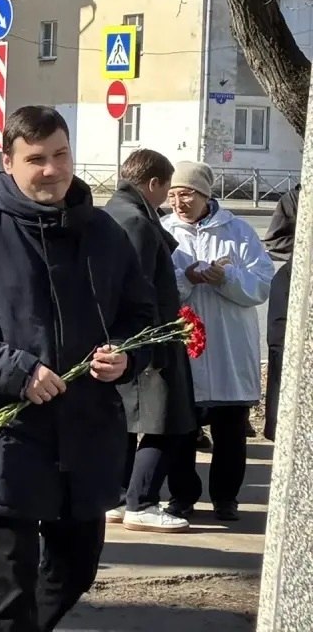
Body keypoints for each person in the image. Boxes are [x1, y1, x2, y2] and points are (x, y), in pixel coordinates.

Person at [0, 105, 156, 632]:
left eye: (61, 155)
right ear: (10, 160)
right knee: (13, 589)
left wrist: (127, 354)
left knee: (75, 570)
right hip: (6, 438)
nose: (52, 169)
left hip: (86, 432)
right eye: (37, 159)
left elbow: (142, 315)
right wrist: (15, 371)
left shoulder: (105, 234)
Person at [161, 161, 273, 523]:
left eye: (187, 193)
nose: (179, 201)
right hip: (186, 347)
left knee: (230, 431)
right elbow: (156, 286)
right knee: (181, 430)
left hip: (229, 345)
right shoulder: (165, 231)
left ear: (205, 195)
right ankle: (182, 496)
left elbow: (260, 285)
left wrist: (225, 277)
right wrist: (188, 278)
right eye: (173, 194)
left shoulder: (238, 232)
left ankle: (226, 497)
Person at [103, 149, 197, 534]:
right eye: (166, 189)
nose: (167, 199)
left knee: (128, 420)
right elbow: (140, 288)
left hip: (123, 337)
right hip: (149, 337)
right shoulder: (138, 222)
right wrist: (155, 341)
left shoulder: (111, 211)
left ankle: (120, 496)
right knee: (166, 419)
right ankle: (141, 501)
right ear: (153, 183)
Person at [261, 184, 298, 442]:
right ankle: (279, 428)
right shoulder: (295, 198)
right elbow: (275, 240)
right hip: (293, 286)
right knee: (282, 355)